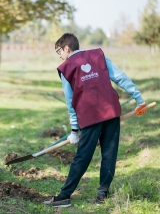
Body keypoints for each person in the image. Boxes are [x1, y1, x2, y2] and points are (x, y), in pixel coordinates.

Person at [44, 33, 147, 208]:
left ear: (67, 48)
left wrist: (75, 130)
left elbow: (70, 103)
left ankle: (64, 196)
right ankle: (102, 196)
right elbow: (120, 77)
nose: (59, 55)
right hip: (111, 112)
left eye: (58, 51)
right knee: (109, 153)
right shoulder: (98, 56)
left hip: (90, 117)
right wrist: (139, 98)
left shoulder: (66, 67)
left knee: (82, 156)